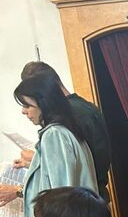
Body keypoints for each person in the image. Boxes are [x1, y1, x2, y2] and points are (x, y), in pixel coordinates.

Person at [0, 75, 97, 217]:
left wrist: (19, 190)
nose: (23, 111)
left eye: (27, 105)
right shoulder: (65, 129)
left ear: (43, 104)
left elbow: (60, 192)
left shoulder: (54, 134)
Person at [19, 61, 111, 201]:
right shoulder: (85, 107)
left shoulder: (64, 119)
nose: (24, 111)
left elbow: (73, 173)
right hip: (92, 198)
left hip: (81, 202)